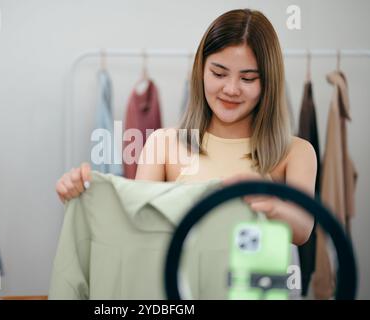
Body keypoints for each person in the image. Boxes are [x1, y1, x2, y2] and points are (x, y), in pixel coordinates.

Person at [55, 8, 315, 246]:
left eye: (247, 78)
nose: (231, 89)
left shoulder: (296, 152)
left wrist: (271, 205)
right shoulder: (163, 143)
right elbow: (134, 224)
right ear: (201, 71)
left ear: (268, 82)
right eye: (219, 73)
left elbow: (303, 230)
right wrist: (83, 193)